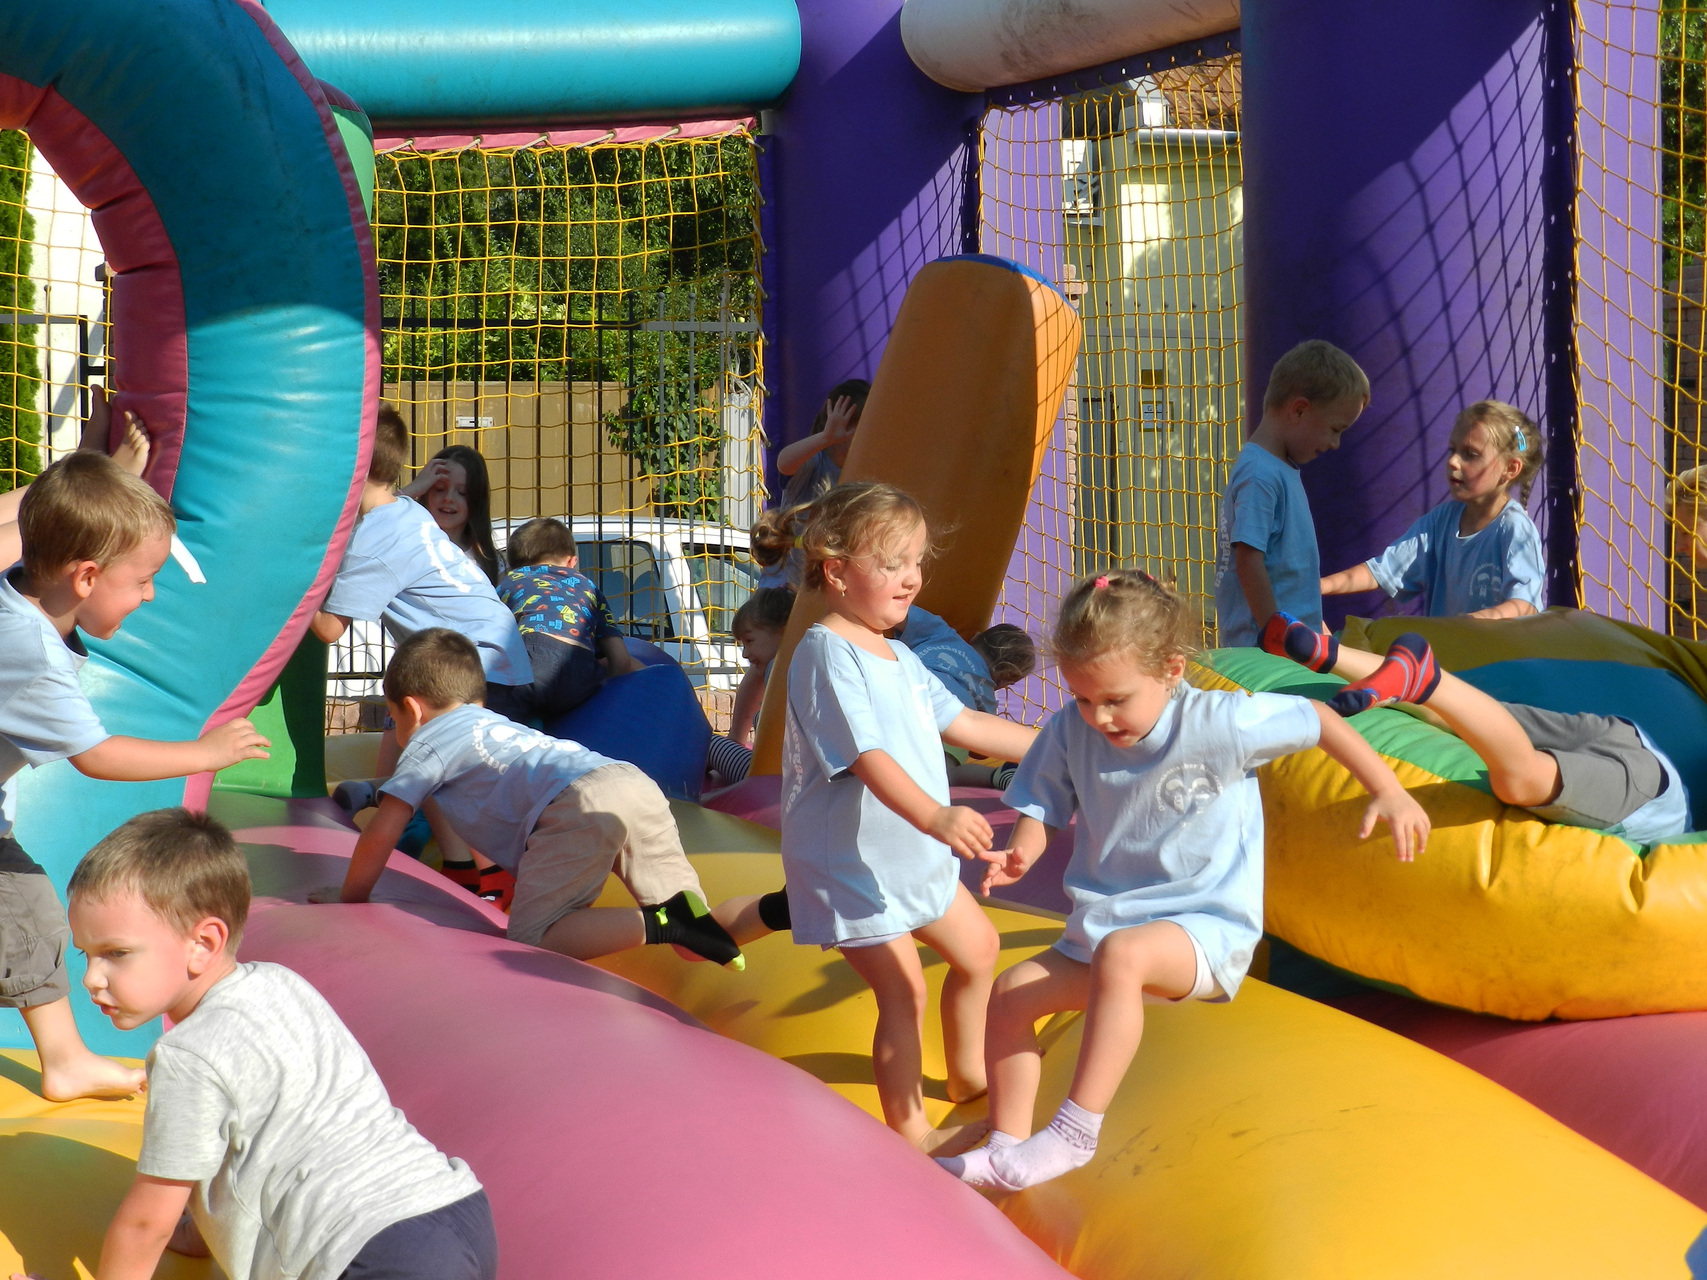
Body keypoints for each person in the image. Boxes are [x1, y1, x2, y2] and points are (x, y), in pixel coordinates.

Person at [939, 570, 1429, 1192]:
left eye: (1115, 699)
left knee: (1124, 955)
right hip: (1106, 928)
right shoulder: (1071, 729)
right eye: (1083, 699)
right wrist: (1022, 851)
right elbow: (1042, 800)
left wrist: (1388, 790)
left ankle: (1073, 1133)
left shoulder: (1217, 722)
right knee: (1011, 995)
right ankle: (1005, 1147)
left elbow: (1316, 718)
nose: (1099, 716)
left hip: (1204, 929)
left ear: (1171, 670)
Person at [64, 808, 495, 1280]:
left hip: (375, 1254)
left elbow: (147, 1223)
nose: (91, 978)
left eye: (116, 953)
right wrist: (202, 1232)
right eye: (87, 954)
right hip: (457, 1210)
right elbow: (259, 1139)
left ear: (203, 943)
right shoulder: (281, 984)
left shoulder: (187, 1055)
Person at [771, 482, 1038, 1149]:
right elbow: (865, 756)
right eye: (892, 563)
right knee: (904, 990)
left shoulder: (901, 655)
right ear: (837, 572)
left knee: (979, 952)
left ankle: (968, 1077)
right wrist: (936, 817)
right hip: (852, 865)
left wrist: (1060, 743)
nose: (912, 578)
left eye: (916, 562)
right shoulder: (825, 653)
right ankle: (912, 1131)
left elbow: (968, 723)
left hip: (909, 856)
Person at [0, 454, 269, 1102]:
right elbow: (97, 755)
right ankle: (66, 1062)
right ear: (86, 577)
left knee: (27, 909)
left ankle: (66, 1059)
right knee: (27, 908)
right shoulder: (32, 651)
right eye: (143, 580)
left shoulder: (15, 591)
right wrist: (203, 753)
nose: (149, 595)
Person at [312, 628, 747, 970]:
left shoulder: (429, 739)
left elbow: (385, 829)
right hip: (630, 781)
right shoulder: (492, 723)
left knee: (533, 938)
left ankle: (663, 923)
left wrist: (350, 895)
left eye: (393, 718)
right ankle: (773, 909)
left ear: (411, 709)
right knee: (698, 935)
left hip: (575, 804)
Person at [314, 408, 532, 894]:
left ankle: (493, 876)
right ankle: (461, 865)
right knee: (424, 749)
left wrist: (293, 577)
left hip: (475, 662)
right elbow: (388, 496)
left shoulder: (376, 541)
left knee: (451, 770)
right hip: (491, 653)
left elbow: (328, 629)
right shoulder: (406, 511)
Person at [1262, 615, 1690, 844]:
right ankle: (1424, 675)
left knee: (1453, 716)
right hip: (1647, 794)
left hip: (1629, 737)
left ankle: (1325, 652)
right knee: (1521, 779)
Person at [1319, 400, 1546, 619]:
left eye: (1470, 454)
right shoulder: (1442, 521)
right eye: (1453, 450)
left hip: (1491, 646)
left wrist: (1468, 623)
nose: (1453, 461)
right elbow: (1384, 570)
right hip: (1446, 643)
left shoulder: (1515, 529)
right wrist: (1320, 586)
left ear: (1510, 469)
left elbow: (1524, 605)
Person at [1213, 340, 1371, 646]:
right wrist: (1276, 637)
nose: (1335, 443)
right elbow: (1249, 563)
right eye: (1335, 429)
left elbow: (1290, 577)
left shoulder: (1279, 468)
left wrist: (1315, 630)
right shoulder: (1260, 473)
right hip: (1263, 653)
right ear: (1299, 410)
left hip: (1292, 644)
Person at [497, 516, 643, 721]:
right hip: (579, 669)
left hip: (532, 660)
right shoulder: (588, 587)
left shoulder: (509, 581)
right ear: (572, 562)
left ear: (512, 566)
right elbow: (620, 660)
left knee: (497, 712)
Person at [757, 379, 872, 590]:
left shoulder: (862, 473)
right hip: (786, 584)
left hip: (825, 586)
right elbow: (784, 463)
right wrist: (827, 438)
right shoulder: (816, 462)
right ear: (845, 425)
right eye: (866, 426)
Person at [402, 443, 503, 585]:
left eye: (462, 492)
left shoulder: (490, 562)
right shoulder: (407, 544)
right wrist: (410, 491)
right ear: (425, 491)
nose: (448, 498)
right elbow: (375, 520)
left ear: (477, 500)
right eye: (439, 489)